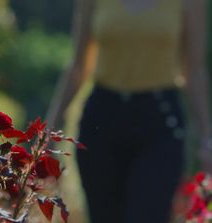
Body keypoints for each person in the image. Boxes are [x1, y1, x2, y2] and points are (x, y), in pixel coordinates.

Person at [47, 0, 212, 222]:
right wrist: (50, 132)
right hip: (102, 120)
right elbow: (78, 66)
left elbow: (194, 70)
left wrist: (206, 139)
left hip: (159, 122)